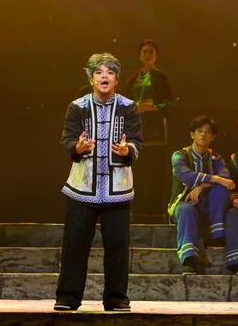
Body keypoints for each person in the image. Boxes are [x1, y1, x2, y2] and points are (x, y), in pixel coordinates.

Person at [55, 53, 143, 312]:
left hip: (118, 188)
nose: (104, 77)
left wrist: (127, 150)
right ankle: (67, 297)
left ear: (116, 79)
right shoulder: (77, 106)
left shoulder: (128, 106)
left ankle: (116, 298)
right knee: (75, 245)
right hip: (82, 187)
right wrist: (78, 147)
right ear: (91, 78)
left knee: (117, 247)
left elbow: (137, 141)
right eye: (99, 72)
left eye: (110, 72)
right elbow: (67, 139)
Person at [167, 116, 238, 275]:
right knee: (186, 210)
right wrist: (216, 179)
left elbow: (226, 180)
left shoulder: (216, 158)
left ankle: (217, 234)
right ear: (192, 134)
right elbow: (185, 175)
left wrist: (201, 186)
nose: (203, 134)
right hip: (185, 203)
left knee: (222, 191)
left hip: (209, 207)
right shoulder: (180, 155)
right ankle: (189, 260)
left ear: (213, 137)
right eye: (199, 131)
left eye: (207, 132)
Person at [125, 39, 173, 222]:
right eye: (144, 51)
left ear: (156, 56)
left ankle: (156, 215)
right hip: (135, 131)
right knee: (137, 172)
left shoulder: (161, 77)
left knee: (155, 172)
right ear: (139, 55)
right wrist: (134, 108)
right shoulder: (132, 79)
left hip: (156, 132)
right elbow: (123, 104)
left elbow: (169, 104)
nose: (147, 55)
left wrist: (150, 107)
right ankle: (136, 214)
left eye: (151, 52)